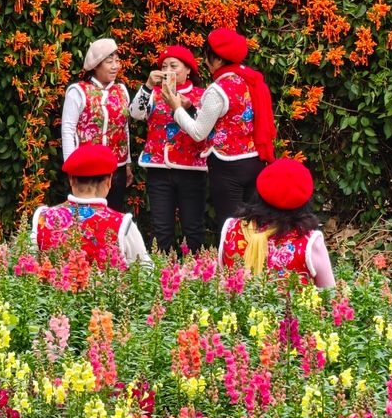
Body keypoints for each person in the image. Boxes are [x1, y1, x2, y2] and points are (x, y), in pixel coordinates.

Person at [161, 27, 276, 229]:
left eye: (207, 55)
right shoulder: (248, 80)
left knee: (230, 227)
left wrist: (176, 108)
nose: (205, 61)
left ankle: (233, 252)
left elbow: (198, 132)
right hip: (254, 160)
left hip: (228, 166)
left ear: (219, 59)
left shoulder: (218, 89)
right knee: (253, 226)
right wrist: (191, 108)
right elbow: (227, 118)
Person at [129, 45, 207, 254]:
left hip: (191, 169)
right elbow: (135, 113)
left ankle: (197, 270)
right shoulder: (154, 94)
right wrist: (147, 85)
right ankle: (163, 269)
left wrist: (188, 107)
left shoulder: (200, 95)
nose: (168, 70)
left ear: (188, 69)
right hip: (159, 169)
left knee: (193, 228)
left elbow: (205, 129)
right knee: (161, 229)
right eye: (164, 66)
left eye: (174, 66)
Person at [219, 157, 335, 288]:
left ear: (259, 191)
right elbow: (329, 293)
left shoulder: (231, 229)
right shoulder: (310, 243)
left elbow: (222, 283)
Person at [31, 144, 149, 265]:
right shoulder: (123, 224)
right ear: (108, 181)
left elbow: (29, 265)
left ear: (71, 180)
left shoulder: (42, 217)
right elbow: (145, 269)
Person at [61, 38, 132, 212]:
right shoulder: (78, 91)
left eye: (117, 61)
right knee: (86, 214)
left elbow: (124, 128)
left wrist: (128, 163)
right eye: (109, 62)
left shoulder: (121, 91)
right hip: (86, 169)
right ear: (95, 65)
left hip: (117, 168)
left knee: (114, 213)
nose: (115, 66)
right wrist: (71, 167)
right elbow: (68, 129)